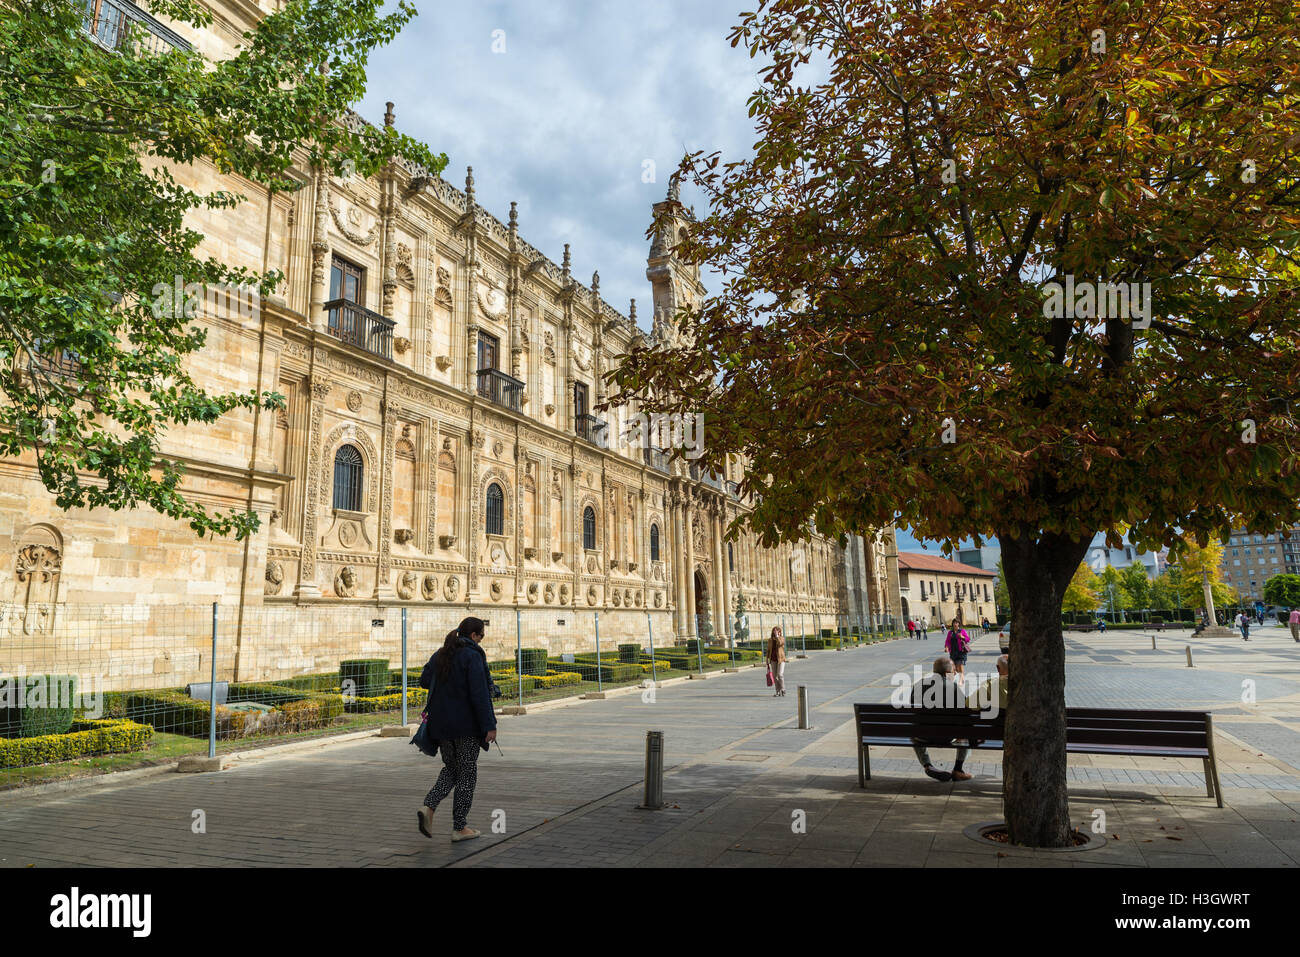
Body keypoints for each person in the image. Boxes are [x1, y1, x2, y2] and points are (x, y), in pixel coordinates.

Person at [416, 616, 497, 843]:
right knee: (467, 774)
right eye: (481, 636)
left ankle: (429, 807)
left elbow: (424, 680)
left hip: (441, 726)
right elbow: (480, 695)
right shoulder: (472, 656)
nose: (482, 641)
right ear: (474, 636)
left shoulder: (441, 653)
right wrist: (489, 726)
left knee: (452, 769)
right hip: (466, 727)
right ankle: (459, 827)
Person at [910, 656, 972, 782]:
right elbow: (966, 715)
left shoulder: (918, 685)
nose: (955, 673)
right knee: (967, 730)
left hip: (922, 736)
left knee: (915, 730)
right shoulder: (953, 687)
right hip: (947, 736)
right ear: (946, 673)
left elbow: (913, 712)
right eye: (954, 671)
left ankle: (927, 765)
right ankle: (958, 769)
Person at [766, 625, 787, 697]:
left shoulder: (782, 638)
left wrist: (777, 636)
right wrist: (767, 660)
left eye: (777, 631)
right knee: (775, 676)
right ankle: (777, 691)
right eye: (774, 631)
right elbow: (768, 650)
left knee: (780, 674)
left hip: (781, 659)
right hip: (773, 660)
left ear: (779, 632)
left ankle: (783, 689)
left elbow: (780, 643)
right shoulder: (770, 640)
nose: (775, 632)